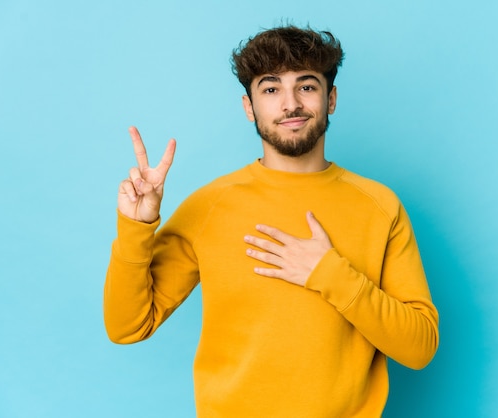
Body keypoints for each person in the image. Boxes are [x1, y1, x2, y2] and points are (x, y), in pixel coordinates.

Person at [104, 25, 439, 417]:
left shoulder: (380, 206)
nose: (290, 103)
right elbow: (127, 326)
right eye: (270, 88)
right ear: (249, 107)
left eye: (307, 86)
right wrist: (136, 227)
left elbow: (419, 349)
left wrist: (329, 274)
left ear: (330, 99)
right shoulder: (210, 206)